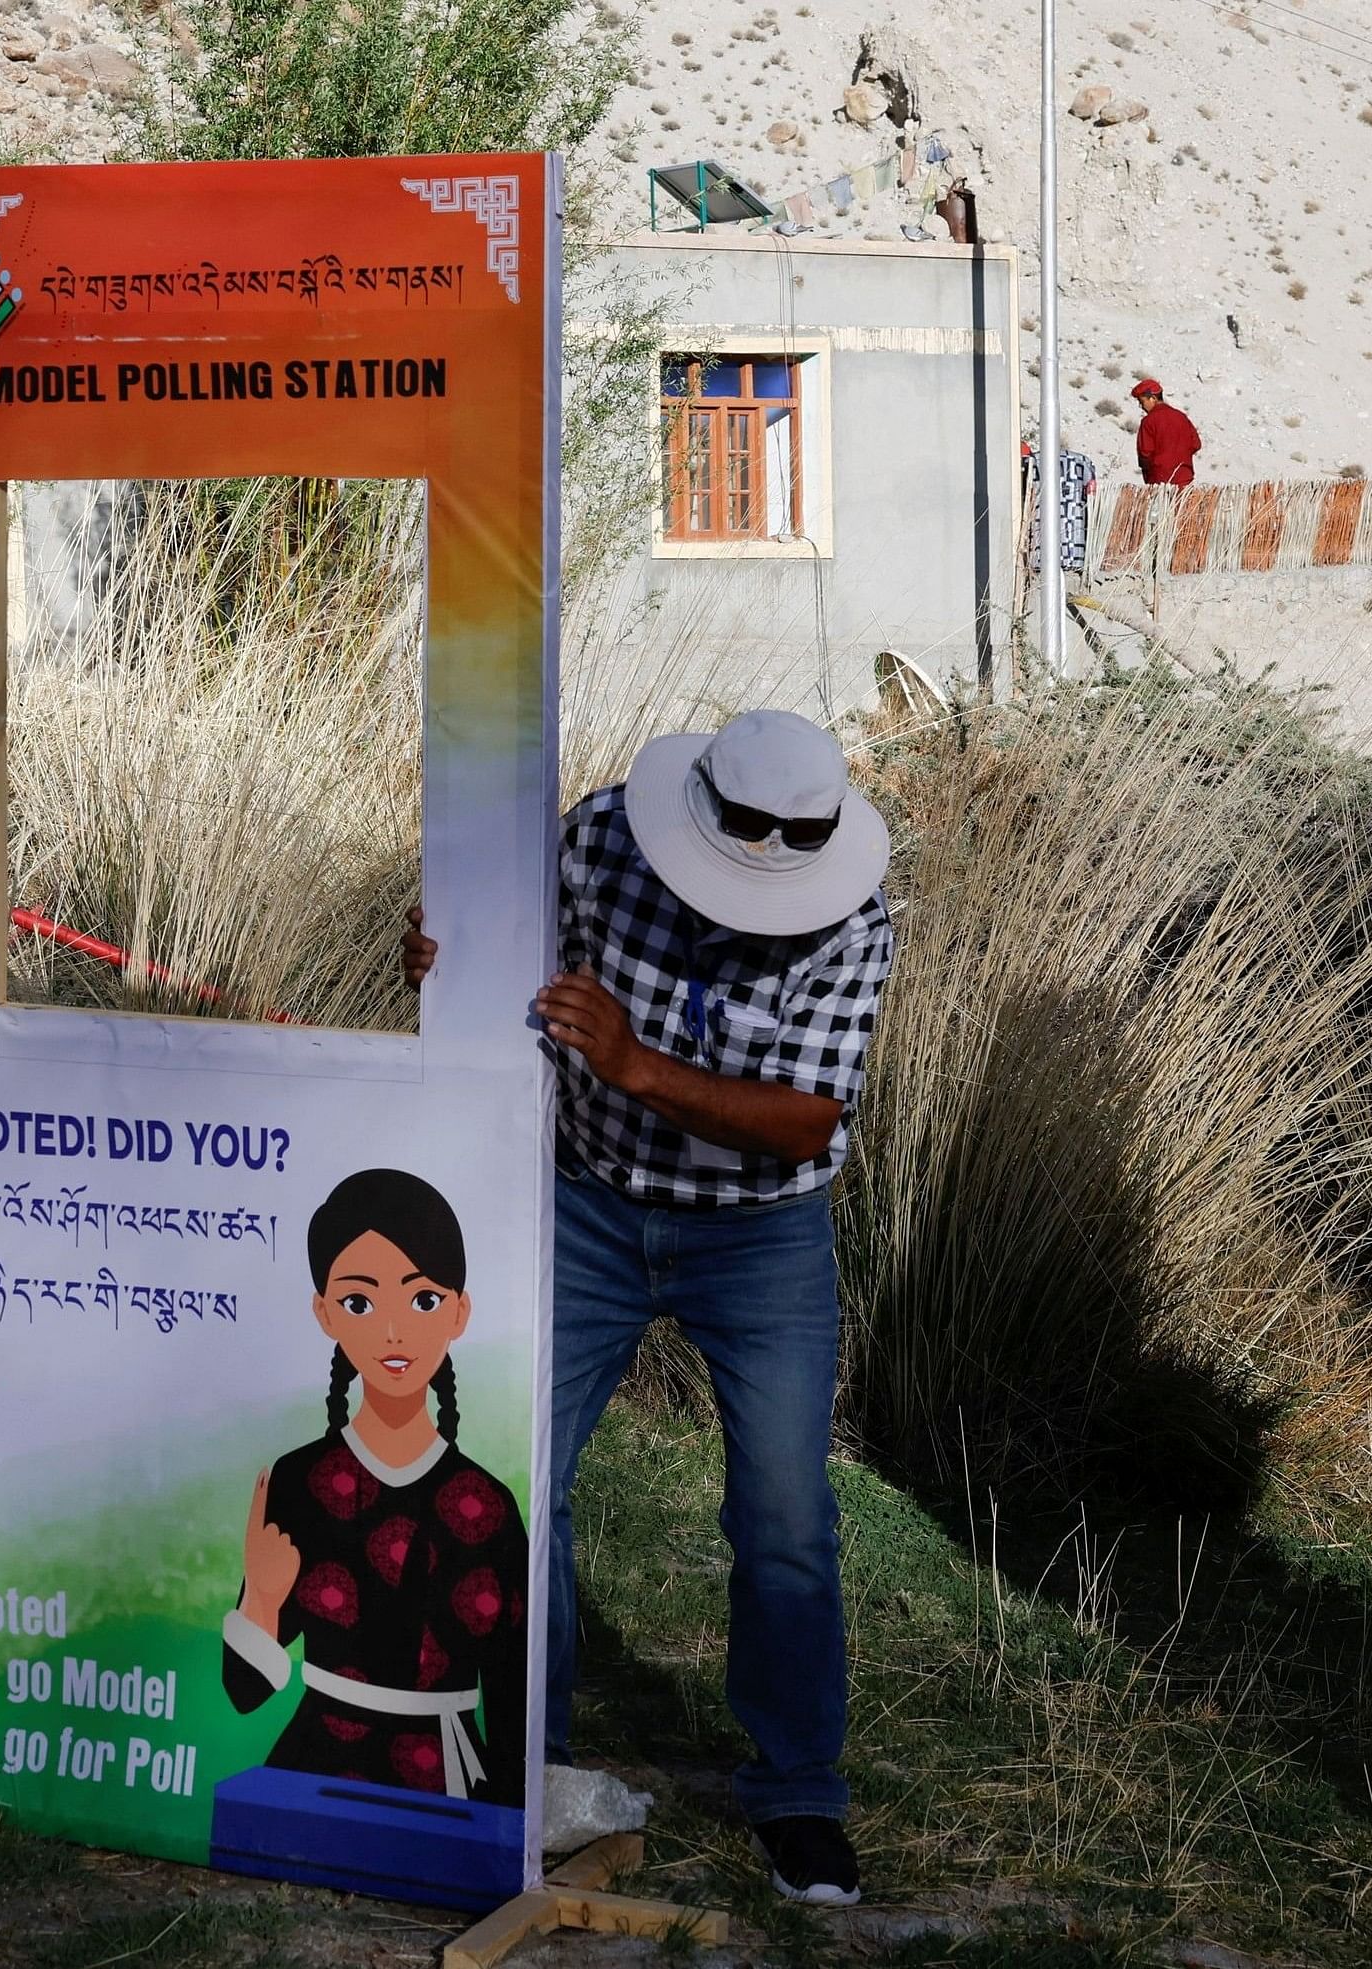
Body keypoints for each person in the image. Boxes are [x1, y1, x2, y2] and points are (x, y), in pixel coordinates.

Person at [402, 708, 894, 1906]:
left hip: (761, 1236)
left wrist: (632, 1065)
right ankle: (537, 1763)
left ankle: (795, 1794)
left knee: (781, 1513)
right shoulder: (593, 843)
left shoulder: (857, 920)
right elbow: (499, 971)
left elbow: (805, 1121)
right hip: (587, 1203)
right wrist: (438, 962)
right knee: (520, 1476)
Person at [225, 1168, 530, 1807]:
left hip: (447, 1780)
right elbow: (244, 1694)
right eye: (361, 1302)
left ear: (459, 1310)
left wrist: (507, 1829)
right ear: (325, 1313)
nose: (393, 1332)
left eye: (421, 1300)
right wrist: (262, 1598)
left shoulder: (492, 1507)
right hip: (313, 1773)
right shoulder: (296, 1481)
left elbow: (511, 1695)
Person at [1132, 377, 1201, 485]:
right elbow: (1196, 444)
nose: (1141, 406)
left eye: (1142, 402)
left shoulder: (1148, 421)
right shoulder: (1181, 417)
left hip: (1159, 482)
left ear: (1153, 398)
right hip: (1185, 479)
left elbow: (1145, 453)